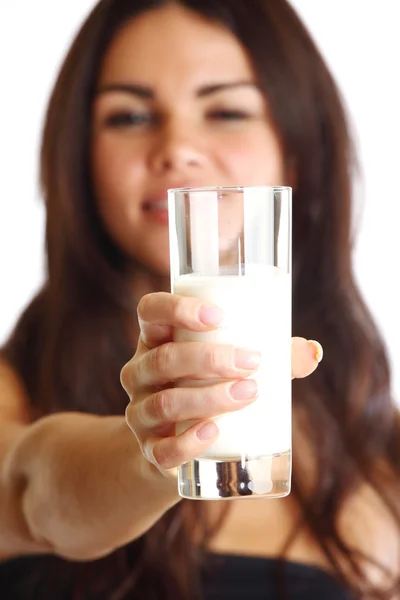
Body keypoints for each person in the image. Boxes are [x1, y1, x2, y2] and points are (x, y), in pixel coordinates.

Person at [0, 0, 399, 598]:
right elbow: (37, 490)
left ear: (298, 147)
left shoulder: (372, 440)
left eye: (227, 110)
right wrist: (156, 452)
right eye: (130, 116)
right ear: (79, 157)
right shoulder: (13, 393)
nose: (177, 148)